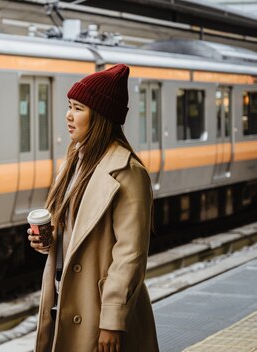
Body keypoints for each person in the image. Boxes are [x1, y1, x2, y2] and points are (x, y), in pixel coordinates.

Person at [27, 64, 159, 352]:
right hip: (65, 300)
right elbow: (73, 236)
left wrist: (112, 319)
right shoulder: (74, 161)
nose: (68, 115)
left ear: (99, 116)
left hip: (99, 312)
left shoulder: (128, 173)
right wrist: (47, 241)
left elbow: (130, 255)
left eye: (78, 108)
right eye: (69, 106)